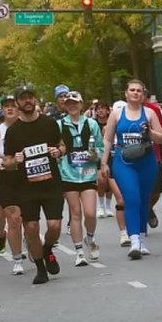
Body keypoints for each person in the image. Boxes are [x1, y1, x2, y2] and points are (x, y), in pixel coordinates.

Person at [1, 83, 67, 285]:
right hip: (26, 188)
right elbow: (7, 162)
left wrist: (59, 152)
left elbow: (61, 145)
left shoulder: (49, 123)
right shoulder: (13, 131)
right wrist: (16, 161)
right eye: (23, 98)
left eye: (30, 97)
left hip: (51, 184)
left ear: (35, 99)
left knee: (54, 226)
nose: (27, 100)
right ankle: (40, 269)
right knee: (30, 227)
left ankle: (47, 249)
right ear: (18, 102)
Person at [100, 80, 162, 261]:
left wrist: (150, 131)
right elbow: (107, 140)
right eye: (132, 90)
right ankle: (133, 239)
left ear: (143, 95)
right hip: (123, 161)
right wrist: (104, 163)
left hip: (146, 161)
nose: (135, 93)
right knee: (132, 198)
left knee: (144, 200)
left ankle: (142, 238)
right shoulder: (117, 114)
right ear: (126, 93)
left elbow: (160, 138)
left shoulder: (149, 113)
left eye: (139, 91)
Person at [57, 91, 102, 266]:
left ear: (81, 104)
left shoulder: (91, 124)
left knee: (90, 213)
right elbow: (56, 147)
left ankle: (89, 238)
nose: (72, 105)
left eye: (75, 102)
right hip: (68, 174)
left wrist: (95, 156)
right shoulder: (60, 125)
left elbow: (100, 147)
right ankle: (79, 252)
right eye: (68, 103)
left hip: (88, 174)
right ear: (64, 106)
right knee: (75, 214)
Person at [0, 96, 26, 274]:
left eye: (13, 106)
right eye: (6, 106)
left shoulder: (28, 129)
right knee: (13, 218)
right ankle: (17, 258)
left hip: (28, 177)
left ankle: (33, 247)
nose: (9, 109)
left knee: (30, 220)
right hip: (5, 178)